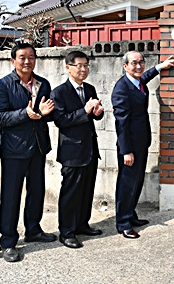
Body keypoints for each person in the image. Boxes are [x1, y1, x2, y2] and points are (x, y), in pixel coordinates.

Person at [0, 43, 56, 262]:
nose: (27, 61)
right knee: (11, 196)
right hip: (14, 149)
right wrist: (25, 113)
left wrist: (45, 113)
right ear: (13, 61)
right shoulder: (3, 85)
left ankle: (33, 229)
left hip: (38, 146)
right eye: (22, 57)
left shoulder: (43, 83)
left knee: (36, 191)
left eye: (31, 57)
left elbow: (47, 113)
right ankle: (8, 241)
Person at [111, 51, 174, 239]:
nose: (138, 66)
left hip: (142, 142)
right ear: (125, 66)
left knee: (137, 181)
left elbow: (144, 76)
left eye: (141, 62)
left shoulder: (137, 82)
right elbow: (121, 123)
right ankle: (123, 223)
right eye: (134, 63)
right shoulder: (121, 89)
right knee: (126, 184)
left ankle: (130, 214)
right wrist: (126, 151)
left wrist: (160, 67)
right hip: (130, 146)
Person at [51, 51, 104, 249]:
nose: (83, 69)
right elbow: (61, 121)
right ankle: (66, 232)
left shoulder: (89, 88)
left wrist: (98, 113)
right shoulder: (59, 92)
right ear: (68, 67)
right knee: (71, 192)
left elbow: (93, 116)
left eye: (86, 65)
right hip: (71, 151)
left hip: (90, 148)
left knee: (87, 189)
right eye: (79, 65)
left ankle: (82, 224)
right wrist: (85, 111)